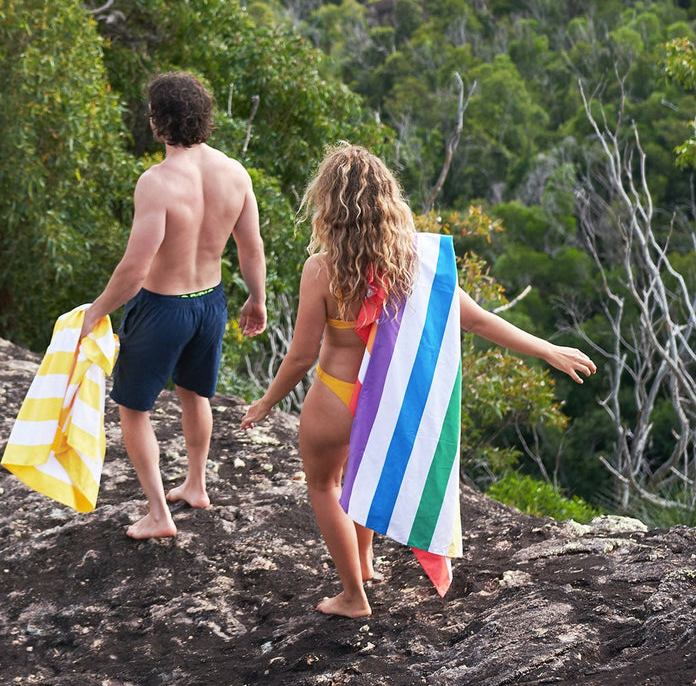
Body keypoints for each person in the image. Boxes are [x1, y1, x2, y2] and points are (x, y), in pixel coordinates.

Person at [240, 144, 596, 619]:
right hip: (385, 399)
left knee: (325, 486)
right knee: (359, 473)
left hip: (334, 394)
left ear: (327, 204)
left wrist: (266, 402)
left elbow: (302, 354)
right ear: (387, 199)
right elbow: (479, 321)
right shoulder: (413, 262)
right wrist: (546, 348)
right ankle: (364, 563)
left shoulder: (321, 270)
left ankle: (352, 595)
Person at [81, 72, 267, 540]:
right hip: (210, 304)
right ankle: (196, 485)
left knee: (132, 408)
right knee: (194, 394)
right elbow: (251, 247)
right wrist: (257, 298)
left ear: (159, 122)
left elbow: (134, 269)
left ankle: (159, 514)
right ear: (203, 118)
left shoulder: (157, 182)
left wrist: (97, 310)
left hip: (162, 308)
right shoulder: (235, 174)